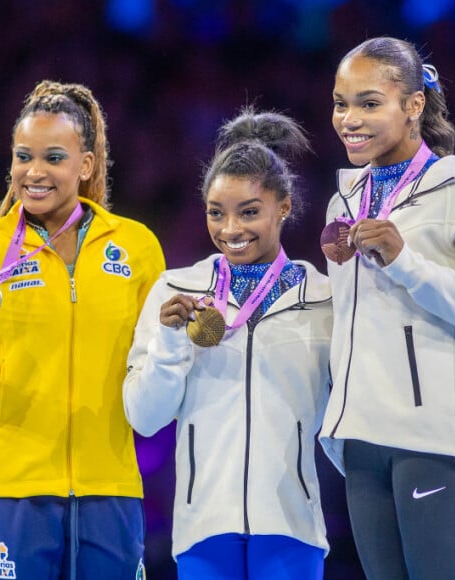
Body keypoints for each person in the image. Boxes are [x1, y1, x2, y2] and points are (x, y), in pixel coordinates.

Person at [0, 80, 165, 579]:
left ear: (84, 165)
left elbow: (152, 368)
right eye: (23, 156)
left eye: (54, 157)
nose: (34, 172)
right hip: (14, 491)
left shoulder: (136, 248)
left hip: (112, 489)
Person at [123, 106, 333, 580]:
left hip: (292, 527)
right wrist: (172, 342)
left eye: (249, 212)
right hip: (204, 528)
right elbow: (144, 417)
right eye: (216, 213)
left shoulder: (323, 297)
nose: (231, 230)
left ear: (284, 206)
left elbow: (345, 410)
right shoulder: (176, 290)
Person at [318, 36, 455, 580]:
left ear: (414, 105)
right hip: (361, 439)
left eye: (370, 103)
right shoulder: (344, 201)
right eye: (342, 103)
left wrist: (404, 259)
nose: (350, 119)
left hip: (433, 435)